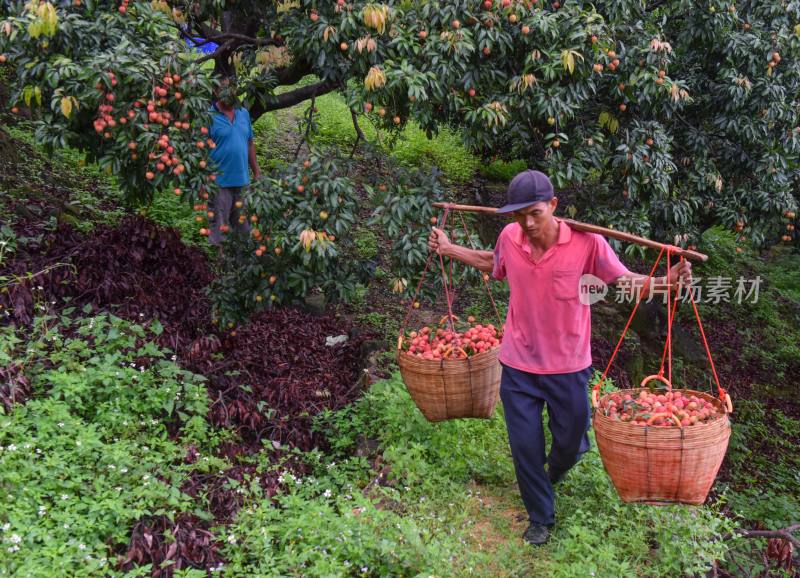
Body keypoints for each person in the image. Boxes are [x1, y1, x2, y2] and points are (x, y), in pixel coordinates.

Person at [427, 170, 691, 546]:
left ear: (553, 205)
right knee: (524, 446)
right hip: (518, 363)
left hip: (568, 366)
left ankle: (552, 472)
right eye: (519, 215)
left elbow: (625, 281)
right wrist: (450, 249)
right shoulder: (509, 237)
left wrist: (666, 282)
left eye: (535, 213)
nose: (528, 223)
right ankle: (540, 517)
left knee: (571, 441)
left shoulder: (588, 243)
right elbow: (493, 263)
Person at [206, 80, 261, 246]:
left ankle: (240, 267)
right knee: (219, 232)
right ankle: (220, 267)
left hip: (242, 182)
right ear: (216, 92)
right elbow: (200, 148)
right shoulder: (209, 116)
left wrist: (257, 171)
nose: (229, 93)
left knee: (243, 230)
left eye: (231, 90)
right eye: (224, 89)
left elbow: (249, 143)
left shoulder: (243, 113)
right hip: (219, 183)